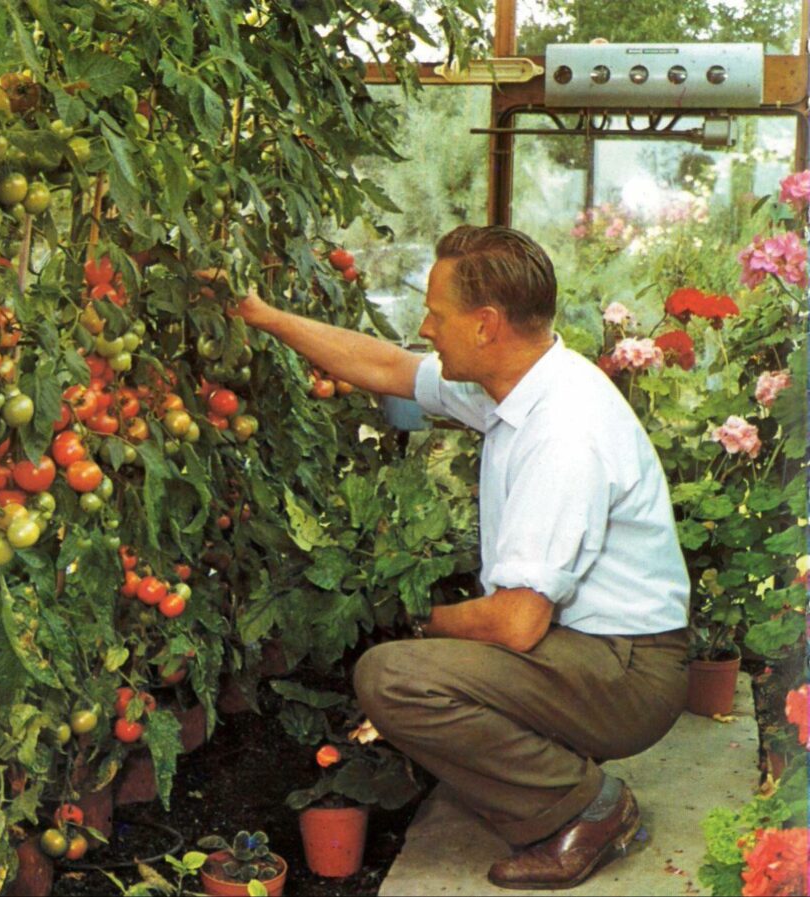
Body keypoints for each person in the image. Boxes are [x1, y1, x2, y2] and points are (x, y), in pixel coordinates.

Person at [230, 224, 691, 890]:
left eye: (436, 314)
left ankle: (587, 808)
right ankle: (557, 767)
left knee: (396, 676)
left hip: (628, 671)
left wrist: (423, 622)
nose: (425, 325)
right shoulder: (521, 383)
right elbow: (386, 366)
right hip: (598, 646)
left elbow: (515, 625)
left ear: (486, 325)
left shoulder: (563, 434)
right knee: (429, 661)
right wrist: (261, 315)